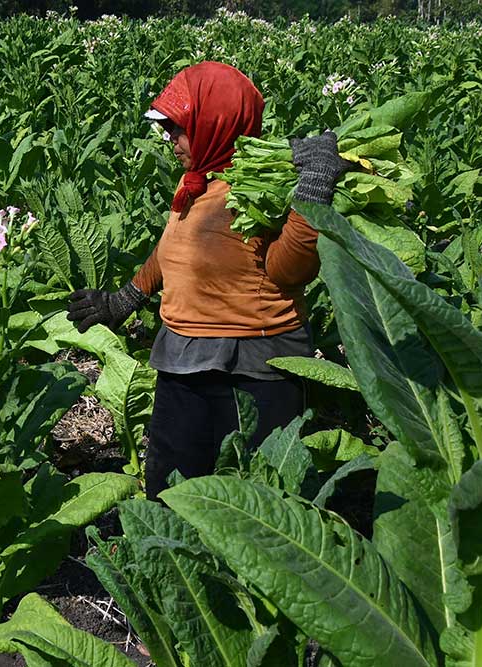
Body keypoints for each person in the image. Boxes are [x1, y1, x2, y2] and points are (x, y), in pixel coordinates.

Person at [67, 61, 351, 500]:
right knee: (173, 492)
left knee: (258, 500)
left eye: (178, 128)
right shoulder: (197, 182)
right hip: (183, 359)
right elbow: (174, 249)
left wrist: (313, 190)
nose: (171, 140)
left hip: (255, 366)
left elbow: (289, 271)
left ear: (214, 122)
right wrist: (125, 299)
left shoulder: (261, 188)